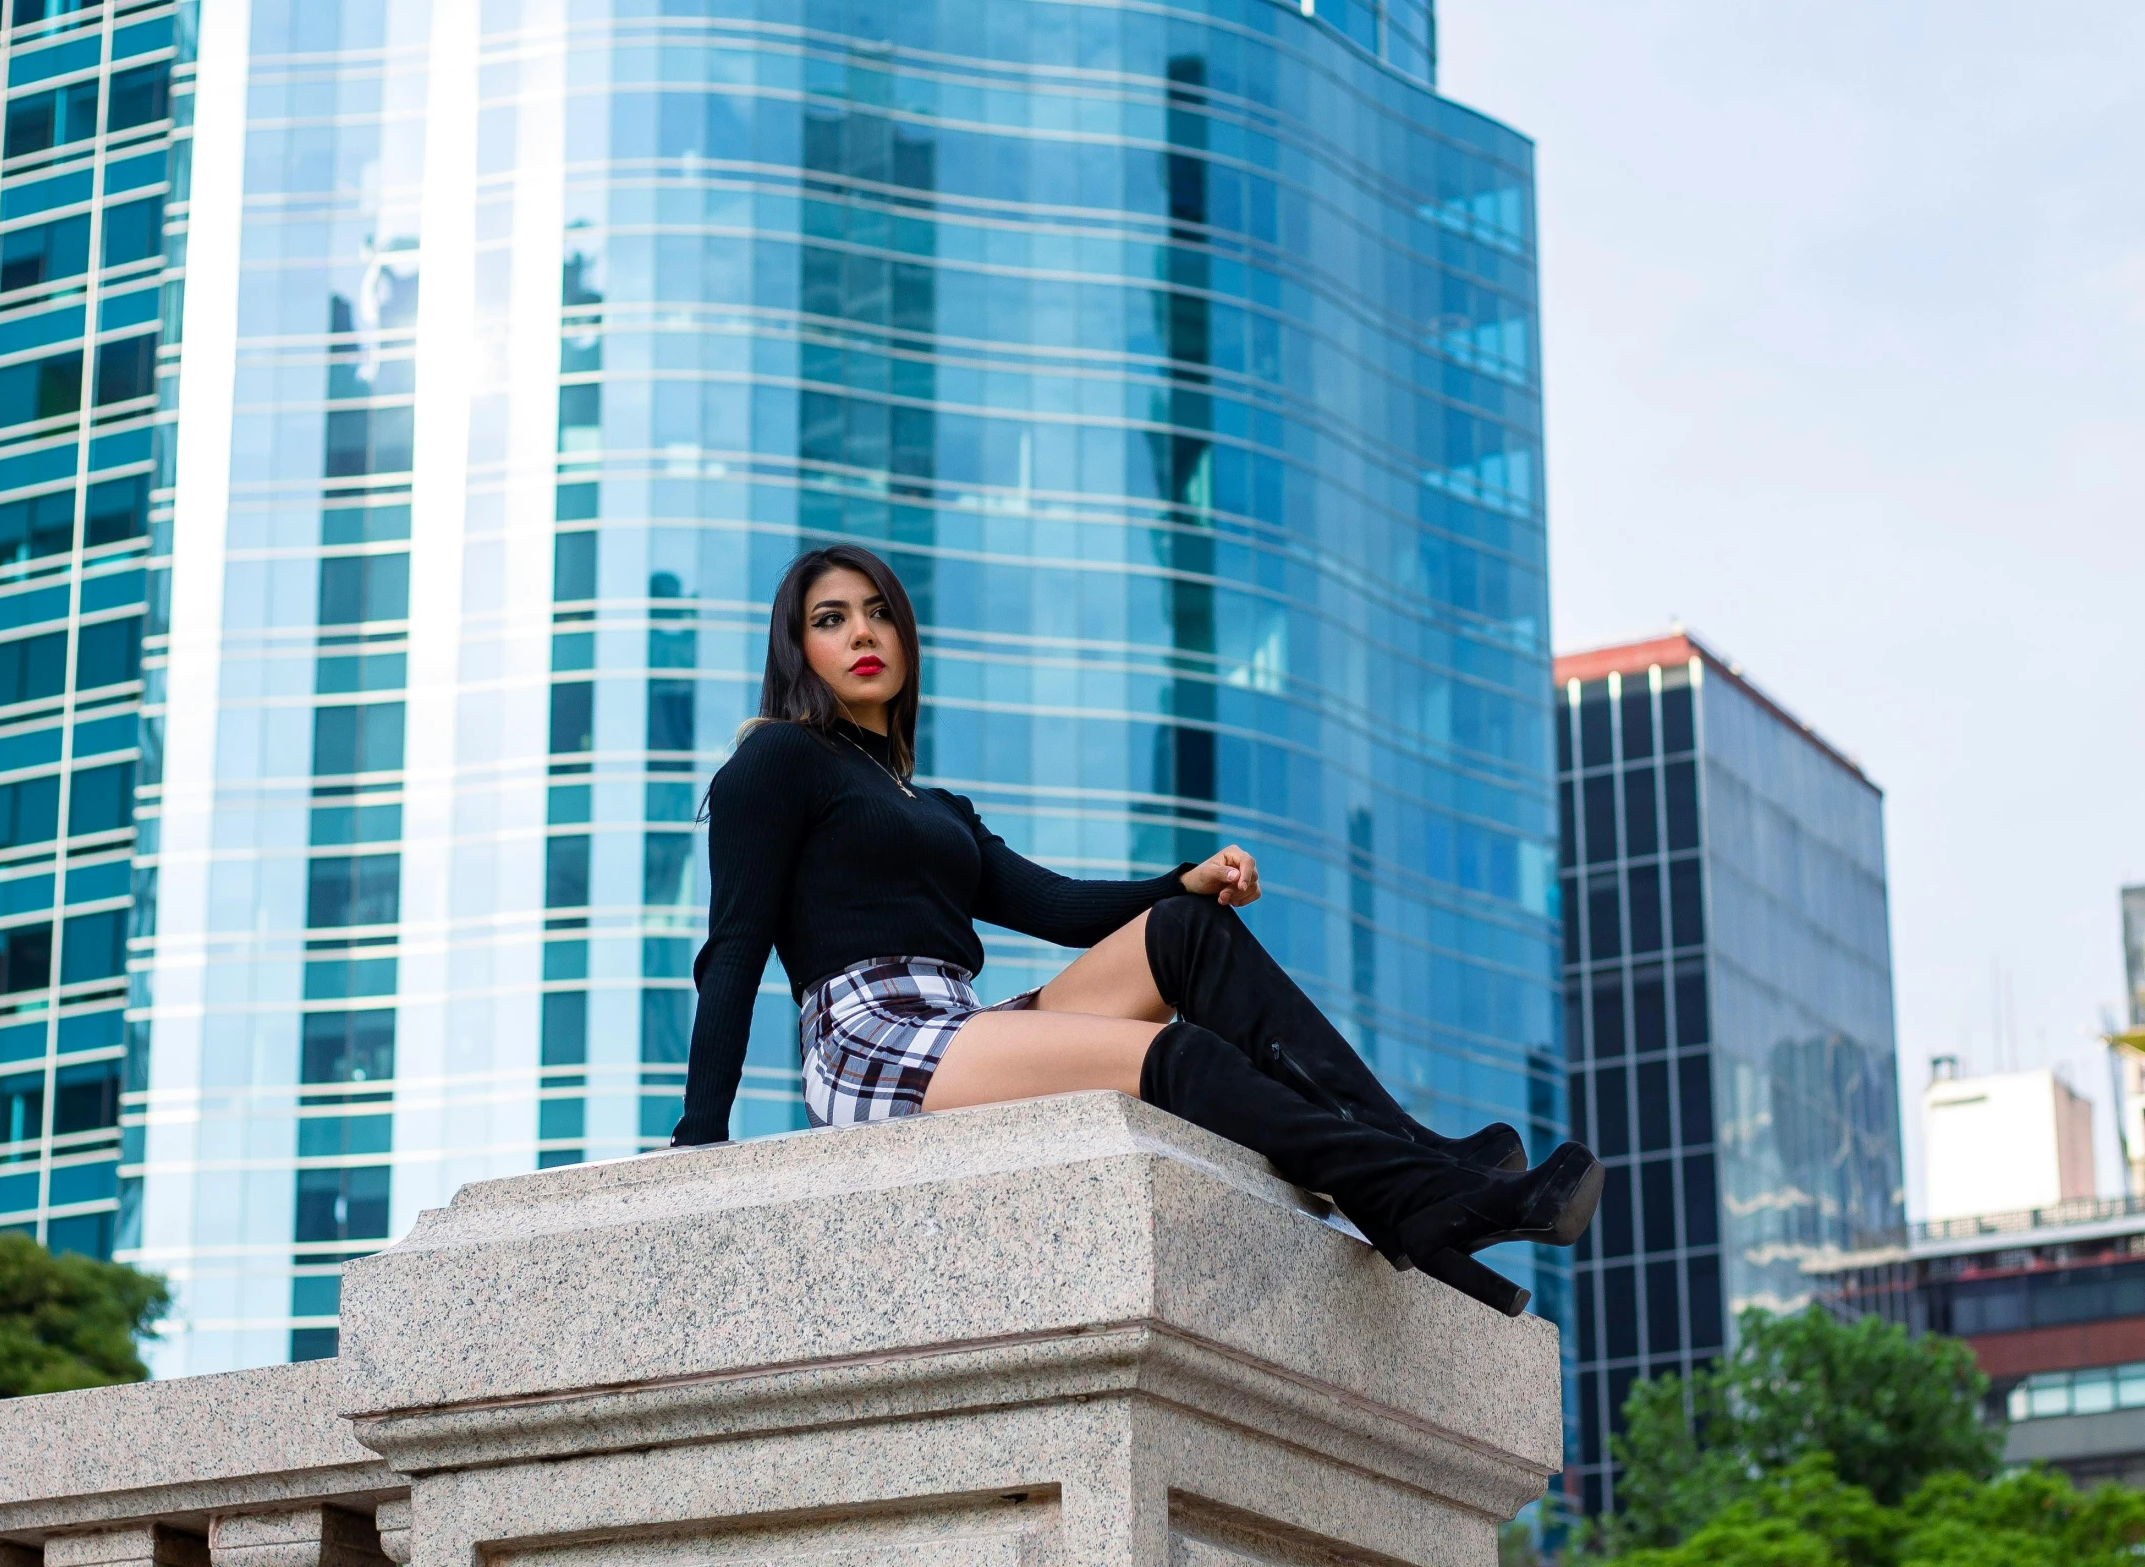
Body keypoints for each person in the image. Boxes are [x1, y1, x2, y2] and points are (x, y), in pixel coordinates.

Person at [671, 543, 1601, 1315]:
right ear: (797, 647)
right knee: (1179, 1057)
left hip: (960, 1022)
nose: (862, 632)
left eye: (878, 611)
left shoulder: (938, 807)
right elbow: (735, 948)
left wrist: (1181, 879)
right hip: (871, 1044)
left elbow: (1057, 907)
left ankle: (1420, 1167)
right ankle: (1423, 1197)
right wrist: (698, 1146)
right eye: (830, 618)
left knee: (1188, 929)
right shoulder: (777, 761)